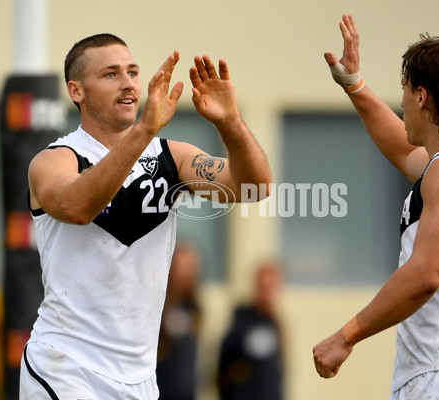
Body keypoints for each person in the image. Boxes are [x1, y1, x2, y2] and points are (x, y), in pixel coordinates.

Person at [20, 33, 272, 398]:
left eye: (133, 72)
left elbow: (256, 188)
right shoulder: (55, 159)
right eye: (110, 74)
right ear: (77, 91)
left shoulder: (173, 156)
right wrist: (143, 131)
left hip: (138, 378)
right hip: (66, 367)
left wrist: (230, 122)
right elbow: (77, 207)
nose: (128, 83)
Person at [312, 14, 439, 400]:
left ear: (422, 95)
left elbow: (425, 274)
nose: (402, 103)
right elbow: (404, 151)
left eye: (405, 90)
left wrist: (345, 336)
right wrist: (354, 84)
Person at [217, 261, 284, 400]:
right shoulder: (241, 324)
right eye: (263, 287)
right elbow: (224, 372)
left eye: (271, 288)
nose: (266, 294)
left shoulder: (275, 324)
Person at [157, 241, 202, 400]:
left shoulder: (194, 309)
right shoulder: (158, 306)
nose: (183, 273)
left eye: (188, 267)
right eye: (180, 266)